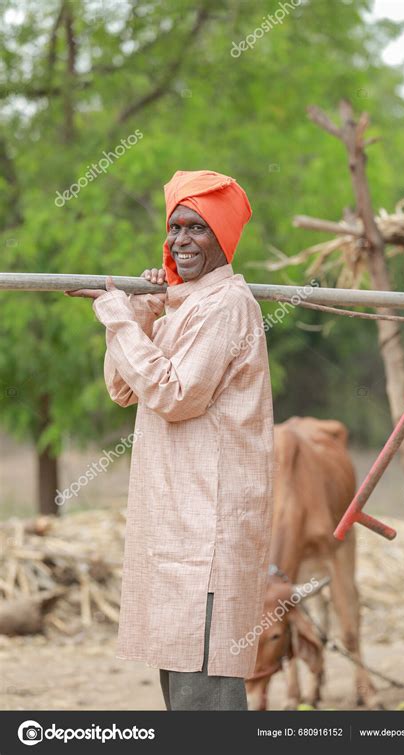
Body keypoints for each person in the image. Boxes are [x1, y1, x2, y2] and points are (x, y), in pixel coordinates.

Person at [65, 169, 274, 710]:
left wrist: (117, 318)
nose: (181, 241)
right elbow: (124, 388)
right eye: (175, 228)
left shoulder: (226, 305)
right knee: (182, 685)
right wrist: (136, 313)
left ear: (223, 237)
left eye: (197, 229)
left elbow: (175, 393)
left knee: (204, 694)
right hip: (178, 525)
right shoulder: (187, 305)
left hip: (210, 531)